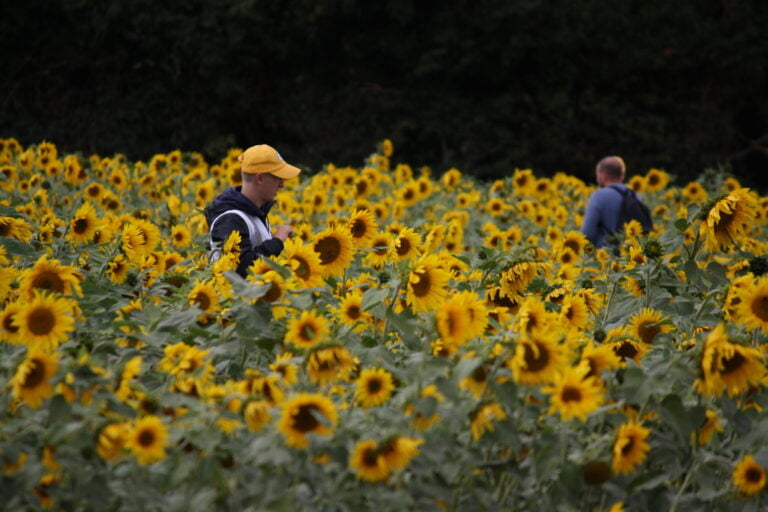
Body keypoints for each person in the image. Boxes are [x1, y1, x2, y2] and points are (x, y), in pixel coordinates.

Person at [204, 144, 301, 277]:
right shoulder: (231, 219)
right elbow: (243, 268)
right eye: (277, 178)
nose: (282, 184)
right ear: (260, 178)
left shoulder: (255, 212)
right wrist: (277, 242)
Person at [580, 156, 630, 248]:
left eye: (597, 174)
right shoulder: (634, 195)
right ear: (622, 175)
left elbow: (587, 233)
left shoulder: (599, 196)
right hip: (631, 255)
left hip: (605, 256)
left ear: (604, 176)